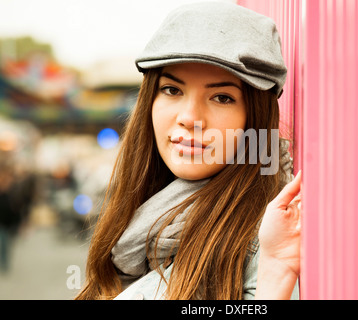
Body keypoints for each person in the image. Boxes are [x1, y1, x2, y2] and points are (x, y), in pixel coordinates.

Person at [76, 1, 302, 300]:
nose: (189, 117)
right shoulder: (140, 215)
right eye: (172, 90)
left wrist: (275, 275)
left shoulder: (267, 233)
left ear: (255, 120)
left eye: (222, 97)